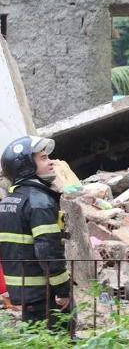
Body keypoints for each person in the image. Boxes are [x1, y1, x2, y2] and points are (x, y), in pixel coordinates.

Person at [0, 136, 72, 330]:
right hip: (45, 293)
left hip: (25, 292)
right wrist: (63, 291)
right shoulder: (39, 202)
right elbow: (48, 252)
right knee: (61, 339)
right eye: (42, 158)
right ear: (26, 166)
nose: (50, 162)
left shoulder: (8, 203)